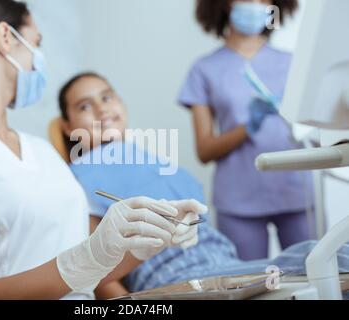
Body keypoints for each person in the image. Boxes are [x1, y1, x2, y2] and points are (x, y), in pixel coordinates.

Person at [0, 0, 201, 300]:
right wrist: (89, 258)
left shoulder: (41, 150)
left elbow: (82, 273)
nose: (39, 60)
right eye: (36, 44)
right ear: (7, 38)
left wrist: (143, 244)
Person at [58, 72, 349, 298]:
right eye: (84, 105)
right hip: (179, 275)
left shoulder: (153, 159)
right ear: (69, 127)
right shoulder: (80, 176)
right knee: (328, 256)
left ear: (121, 103)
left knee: (324, 258)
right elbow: (96, 270)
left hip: (223, 263)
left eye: (107, 97)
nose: (100, 108)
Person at [178, 0, 315, 261]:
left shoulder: (294, 63)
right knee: (247, 283)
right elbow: (204, 150)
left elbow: (319, 128)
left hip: (296, 190)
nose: (254, 4)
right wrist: (248, 127)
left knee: (318, 275)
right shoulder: (204, 70)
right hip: (238, 200)